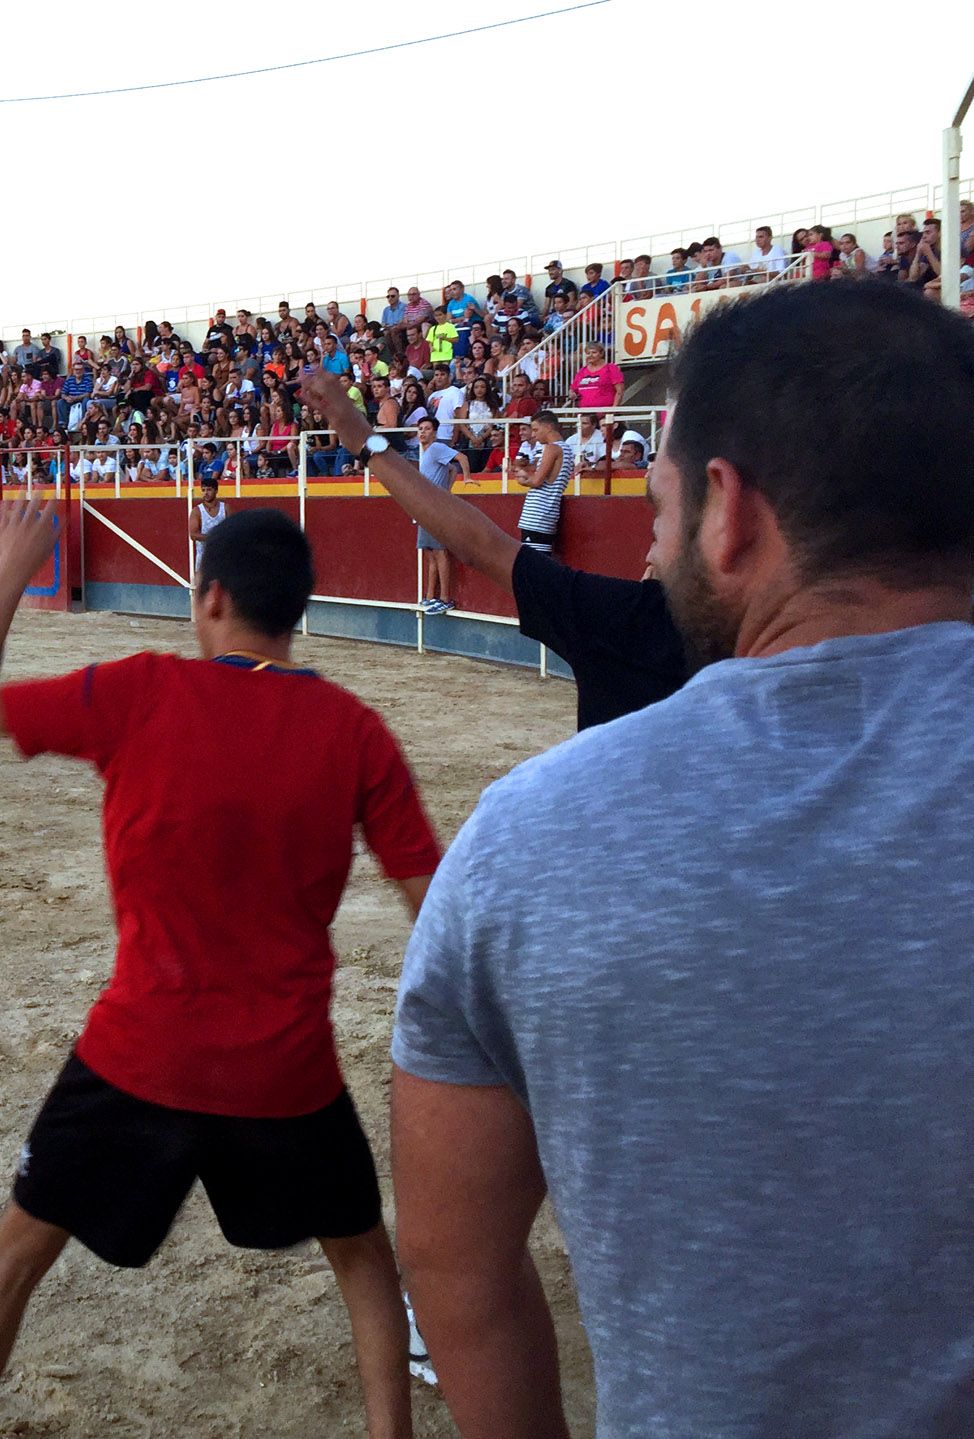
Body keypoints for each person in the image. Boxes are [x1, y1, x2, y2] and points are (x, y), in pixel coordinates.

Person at [392, 279, 974, 1439]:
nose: (656, 546)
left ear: (727, 511)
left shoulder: (529, 840)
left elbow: (453, 1265)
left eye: (659, 508)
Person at [0, 496, 441, 1439]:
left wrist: (10, 569)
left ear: (209, 598)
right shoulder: (354, 730)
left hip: (139, 1056)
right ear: (300, 610)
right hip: (285, 1074)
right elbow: (434, 907)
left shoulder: (141, 691)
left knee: (12, 1260)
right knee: (365, 1262)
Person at [300, 372, 687, 730]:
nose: (648, 557)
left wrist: (365, 442)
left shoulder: (635, 623)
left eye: (657, 526)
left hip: (539, 519)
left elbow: (480, 545)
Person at [411, 417, 467, 615]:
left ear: (434, 432)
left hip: (434, 509)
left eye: (427, 429)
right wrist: (446, 490)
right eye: (420, 429)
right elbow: (452, 468)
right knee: (430, 553)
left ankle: (443, 598)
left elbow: (461, 458)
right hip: (426, 507)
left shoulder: (435, 448)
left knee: (439, 552)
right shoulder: (427, 452)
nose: (423, 432)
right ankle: (429, 597)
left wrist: (467, 479)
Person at [511, 411, 574, 553]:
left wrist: (523, 478)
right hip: (548, 512)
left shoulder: (552, 448)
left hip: (537, 514)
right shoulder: (567, 449)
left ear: (548, 427)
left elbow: (537, 481)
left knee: (533, 564)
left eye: (535, 429)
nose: (533, 434)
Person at [186, 474, 226, 574]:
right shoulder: (197, 511)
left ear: (216, 491)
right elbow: (193, 534)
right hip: (204, 557)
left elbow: (234, 530)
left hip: (223, 556)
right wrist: (214, 537)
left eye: (209, 490)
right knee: (200, 586)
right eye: (203, 490)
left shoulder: (225, 508)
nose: (205, 493)